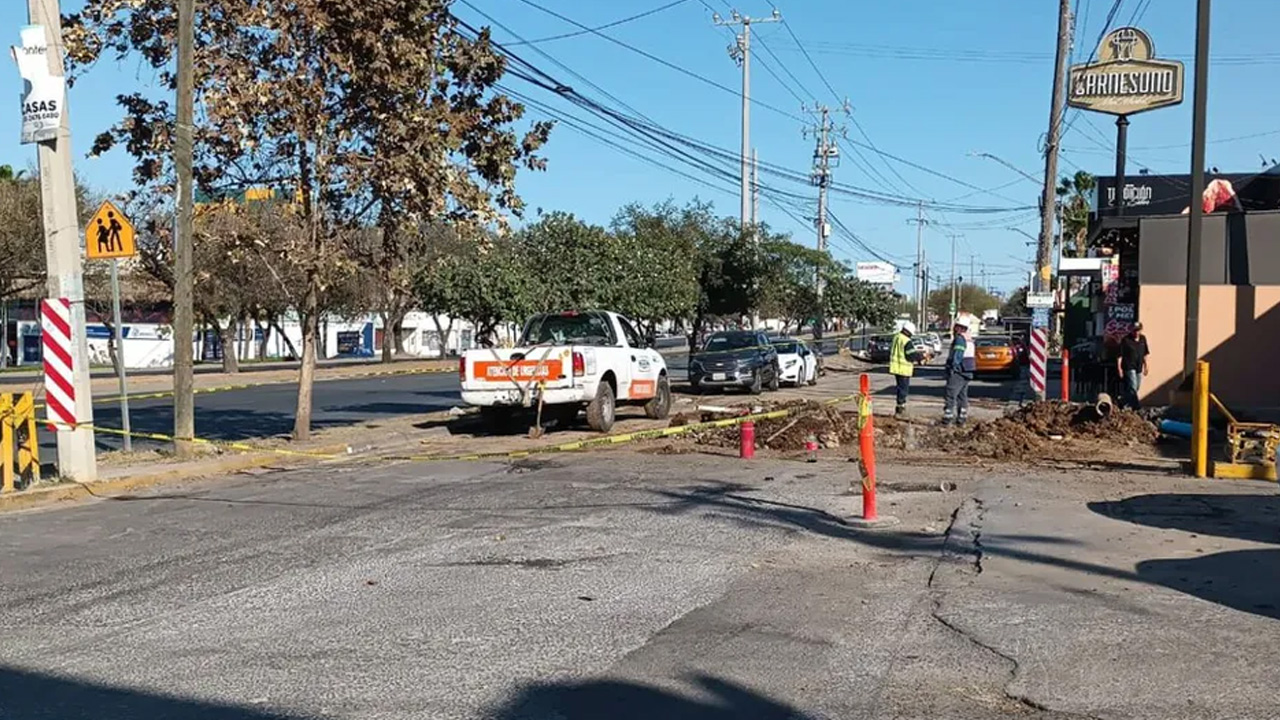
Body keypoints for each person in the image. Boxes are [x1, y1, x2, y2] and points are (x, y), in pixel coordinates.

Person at [942, 315, 976, 426]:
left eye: (955, 326)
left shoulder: (960, 339)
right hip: (967, 370)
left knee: (951, 394)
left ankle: (947, 419)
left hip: (959, 371)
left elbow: (958, 355)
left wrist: (953, 367)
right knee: (962, 396)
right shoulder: (969, 338)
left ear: (959, 327)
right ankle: (962, 419)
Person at [889, 321, 924, 417]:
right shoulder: (906, 341)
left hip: (896, 367)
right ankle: (900, 410)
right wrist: (921, 357)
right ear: (908, 332)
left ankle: (899, 408)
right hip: (904, 369)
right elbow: (911, 355)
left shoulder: (897, 337)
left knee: (900, 388)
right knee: (903, 390)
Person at [1117, 322, 1149, 409]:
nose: (1136, 333)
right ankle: (1136, 406)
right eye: (1134, 331)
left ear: (1141, 330)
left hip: (1139, 366)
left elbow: (1145, 353)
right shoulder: (1126, 340)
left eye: (1138, 330)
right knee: (1133, 386)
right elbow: (1120, 355)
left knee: (1136, 387)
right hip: (1129, 366)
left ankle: (1122, 401)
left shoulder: (1143, 339)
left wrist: (1146, 366)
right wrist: (1119, 368)